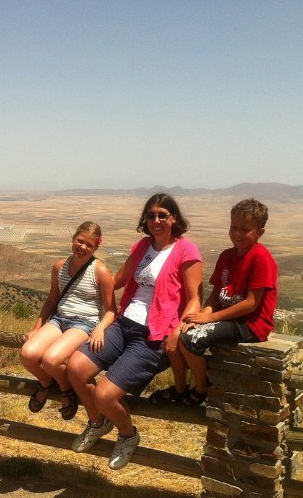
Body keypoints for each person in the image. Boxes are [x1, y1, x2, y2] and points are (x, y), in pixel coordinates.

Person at [66, 193, 203, 469]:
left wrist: (177, 332)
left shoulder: (186, 251)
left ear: (174, 218)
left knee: (105, 395)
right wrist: (81, 280)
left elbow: (194, 298)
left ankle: (128, 435)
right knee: (75, 369)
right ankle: (98, 421)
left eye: (162, 215)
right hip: (123, 324)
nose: (156, 220)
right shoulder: (142, 246)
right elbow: (118, 280)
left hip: (153, 336)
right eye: (151, 215)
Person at [164, 198, 278, 407]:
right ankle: (190, 386)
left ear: (260, 232)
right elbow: (216, 294)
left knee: (191, 340)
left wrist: (209, 318)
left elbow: (251, 304)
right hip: (228, 318)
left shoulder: (261, 258)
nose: (237, 234)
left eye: (245, 230)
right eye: (234, 227)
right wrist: (202, 315)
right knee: (184, 331)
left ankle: (202, 389)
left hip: (249, 324)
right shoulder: (227, 256)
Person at [20, 221, 116, 421]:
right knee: (27, 355)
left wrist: (99, 328)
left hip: (84, 324)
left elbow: (111, 310)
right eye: (80, 241)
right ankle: (46, 383)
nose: (83, 247)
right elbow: (52, 299)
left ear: (96, 247)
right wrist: (36, 328)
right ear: (73, 239)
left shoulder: (100, 271)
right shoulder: (59, 267)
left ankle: (65, 388)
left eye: (89, 245)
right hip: (59, 320)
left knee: (50, 360)